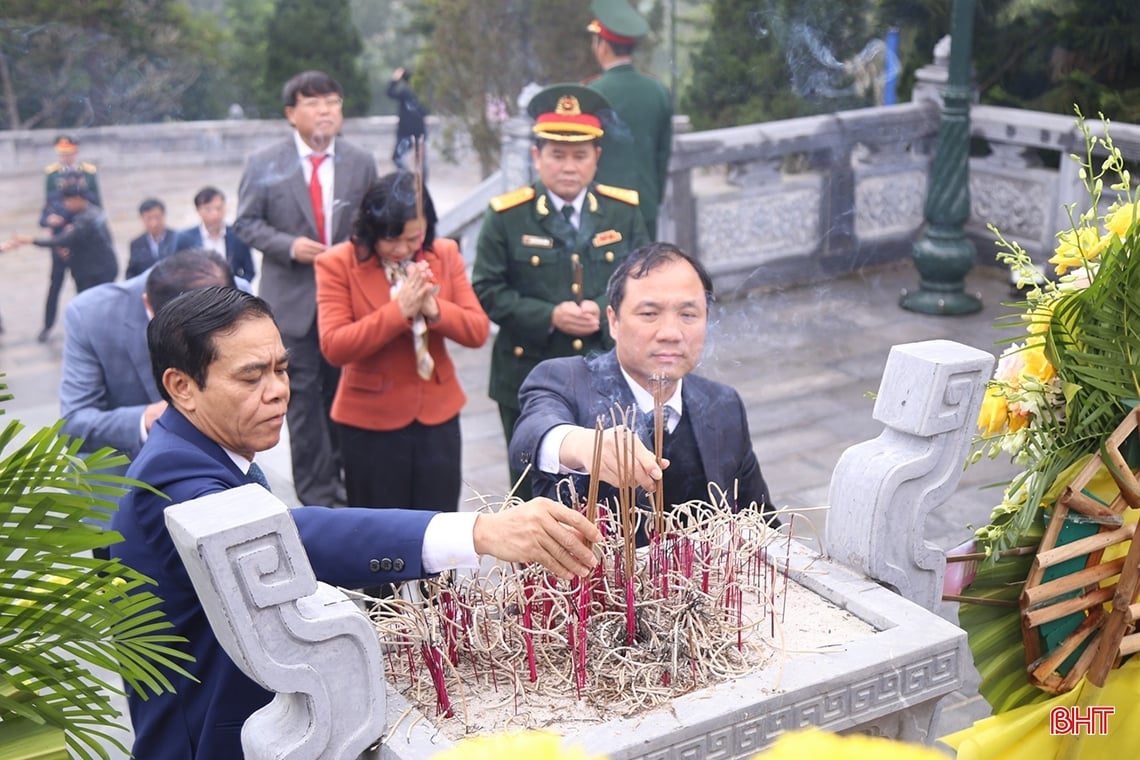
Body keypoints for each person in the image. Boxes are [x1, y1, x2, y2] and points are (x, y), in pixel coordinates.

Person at [111, 285, 602, 759]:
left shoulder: (200, 450)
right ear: (182, 386)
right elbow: (289, 536)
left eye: (282, 369)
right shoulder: (171, 473)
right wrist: (479, 532)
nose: (278, 391)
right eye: (251, 377)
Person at [510, 242, 775, 544]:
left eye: (688, 315)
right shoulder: (565, 381)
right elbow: (531, 435)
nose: (670, 333)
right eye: (649, 314)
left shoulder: (722, 403)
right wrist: (583, 445)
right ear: (613, 321)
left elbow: (760, 518)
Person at [472, 82, 650, 496]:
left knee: (611, 487)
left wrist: (605, 307)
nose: (568, 166)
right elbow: (486, 288)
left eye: (579, 156)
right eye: (557, 155)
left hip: (606, 368)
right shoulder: (507, 217)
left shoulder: (622, 211)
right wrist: (549, 315)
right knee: (533, 485)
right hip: (527, 370)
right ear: (536, 156)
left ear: (596, 158)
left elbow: (643, 280)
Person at [234, 70, 379, 506]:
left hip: (348, 304)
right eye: (314, 103)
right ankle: (319, 500)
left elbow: (375, 225)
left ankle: (353, 488)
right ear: (291, 113)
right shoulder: (265, 162)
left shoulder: (360, 161)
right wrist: (289, 245)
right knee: (300, 407)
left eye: (333, 102)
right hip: (292, 305)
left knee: (349, 398)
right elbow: (245, 223)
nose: (325, 111)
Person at [315, 172, 488, 513]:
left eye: (413, 239)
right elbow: (335, 345)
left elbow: (477, 330)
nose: (403, 249)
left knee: (438, 525)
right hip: (370, 422)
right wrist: (399, 312)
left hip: (437, 414)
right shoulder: (337, 263)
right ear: (371, 231)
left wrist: (435, 308)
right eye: (391, 240)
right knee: (379, 533)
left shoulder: (443, 254)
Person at [60, 248, 238, 462]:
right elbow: (73, 425)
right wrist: (147, 418)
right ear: (149, 306)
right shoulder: (90, 316)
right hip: (126, 471)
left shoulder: (235, 298)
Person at [585, 0, 673, 239]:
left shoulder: (591, 94)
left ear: (602, 45)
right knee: (644, 272)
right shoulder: (658, 91)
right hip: (645, 204)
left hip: (601, 209)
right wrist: (653, 197)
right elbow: (662, 155)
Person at [7, 178, 118, 312]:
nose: (66, 205)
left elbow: (63, 239)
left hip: (97, 273)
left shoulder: (88, 217)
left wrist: (30, 240)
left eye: (68, 201)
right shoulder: (89, 213)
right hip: (90, 269)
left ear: (77, 198)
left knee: (96, 308)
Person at [37, 135, 102, 343]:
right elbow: (47, 208)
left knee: (83, 284)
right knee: (55, 284)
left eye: (69, 154)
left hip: (80, 243)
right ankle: (47, 326)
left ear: (76, 152)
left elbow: (96, 206)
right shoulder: (51, 175)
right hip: (59, 243)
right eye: (62, 154)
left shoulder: (89, 174)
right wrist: (54, 232)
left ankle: (87, 326)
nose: (66, 158)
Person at [174, 186, 256, 281]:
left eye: (219, 208)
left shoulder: (237, 235)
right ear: (198, 211)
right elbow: (177, 272)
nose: (215, 214)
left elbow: (249, 271)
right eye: (208, 209)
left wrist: (236, 289)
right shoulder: (185, 238)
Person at [386, 66, 428, 175]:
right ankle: (420, 185)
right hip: (419, 131)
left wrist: (394, 79)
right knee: (421, 162)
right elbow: (426, 111)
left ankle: (408, 179)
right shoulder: (420, 94)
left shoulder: (405, 93)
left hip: (405, 132)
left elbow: (389, 93)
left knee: (397, 158)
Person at [125, 198, 178, 279]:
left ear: (163, 216)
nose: (154, 223)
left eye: (157, 217)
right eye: (149, 218)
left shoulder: (177, 238)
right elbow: (131, 273)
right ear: (142, 219)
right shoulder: (136, 244)